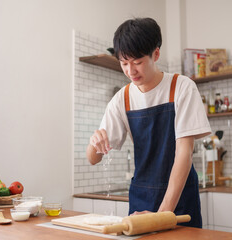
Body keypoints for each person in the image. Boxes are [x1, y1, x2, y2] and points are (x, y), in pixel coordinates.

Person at [86, 17, 211, 228]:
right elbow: (93, 159)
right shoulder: (122, 98)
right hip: (141, 199)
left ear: (156, 53)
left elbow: (184, 153)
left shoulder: (181, 88)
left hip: (179, 200)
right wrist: (95, 141)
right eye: (124, 63)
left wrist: (162, 215)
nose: (130, 71)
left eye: (137, 62)